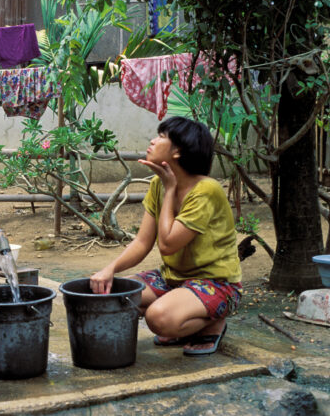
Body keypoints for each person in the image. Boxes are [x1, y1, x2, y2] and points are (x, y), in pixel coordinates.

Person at [90, 116, 242, 356]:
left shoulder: (206, 190)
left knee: (158, 318)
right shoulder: (157, 185)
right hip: (173, 279)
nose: (152, 140)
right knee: (114, 297)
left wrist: (170, 190)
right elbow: (142, 243)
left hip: (217, 284)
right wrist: (110, 269)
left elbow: (168, 244)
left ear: (178, 151)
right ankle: (180, 311)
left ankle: (213, 323)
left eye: (161, 137)